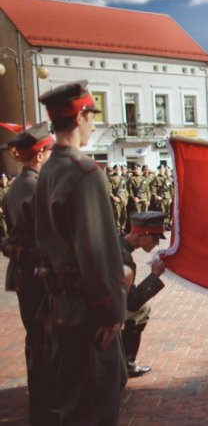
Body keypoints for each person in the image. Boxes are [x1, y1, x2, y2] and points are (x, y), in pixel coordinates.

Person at [35, 81, 127, 424]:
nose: (93, 124)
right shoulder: (85, 172)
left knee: (75, 402)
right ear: (80, 115)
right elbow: (97, 250)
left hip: (60, 307)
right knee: (94, 408)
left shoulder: (49, 171)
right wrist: (112, 310)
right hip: (88, 312)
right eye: (92, 116)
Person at [1, 122, 55, 425]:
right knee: (44, 340)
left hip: (24, 273)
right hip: (38, 274)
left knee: (36, 339)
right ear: (40, 154)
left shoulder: (15, 188)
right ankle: (45, 408)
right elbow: (45, 238)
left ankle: (42, 403)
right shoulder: (35, 188)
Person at [120, 211, 167, 380]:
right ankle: (125, 363)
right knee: (140, 309)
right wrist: (154, 276)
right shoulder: (122, 256)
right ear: (141, 234)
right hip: (101, 312)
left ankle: (124, 362)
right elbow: (131, 302)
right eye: (154, 237)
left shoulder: (119, 246)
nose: (157, 242)